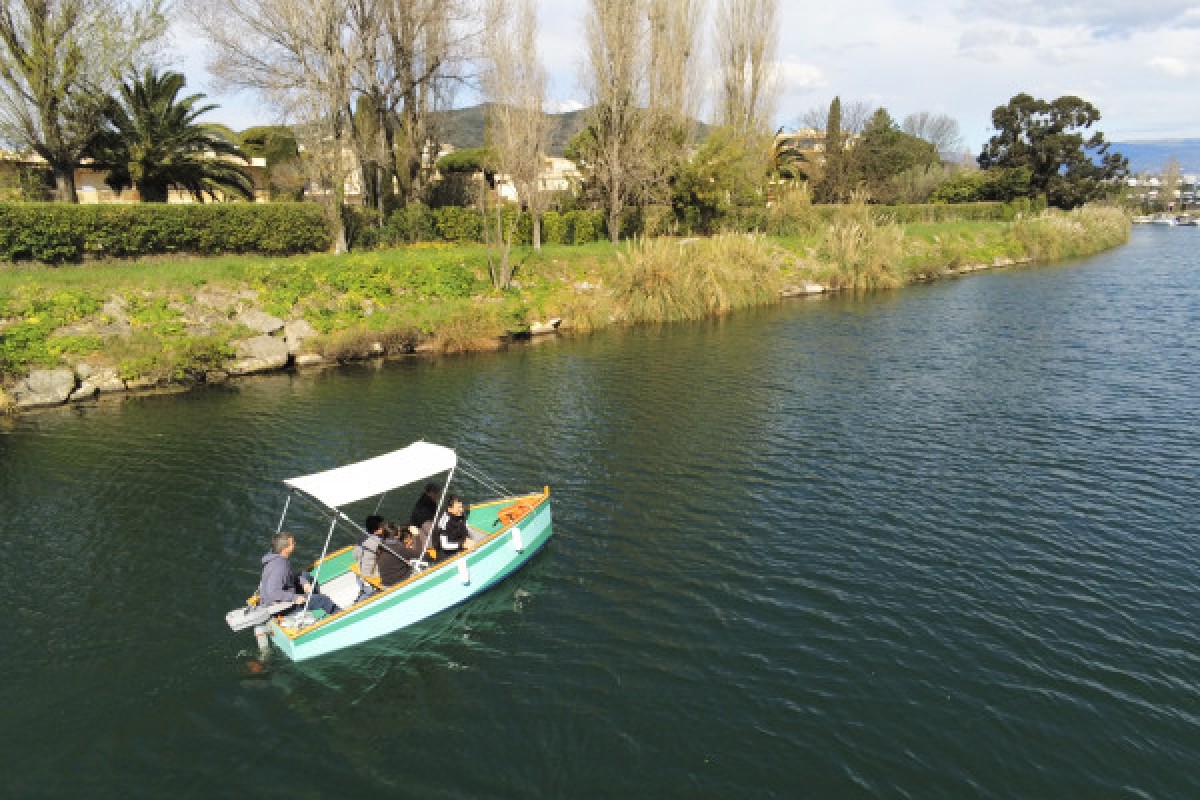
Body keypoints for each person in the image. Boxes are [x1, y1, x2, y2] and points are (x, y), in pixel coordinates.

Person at [258, 532, 340, 617]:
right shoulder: (280, 567)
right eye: (292, 543)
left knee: (305, 575)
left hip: (284, 593)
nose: (295, 544)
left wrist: (304, 582)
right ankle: (339, 614)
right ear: (284, 549)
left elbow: (289, 576)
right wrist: (294, 598)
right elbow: (273, 592)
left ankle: (313, 596)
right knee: (323, 600)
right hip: (280, 607)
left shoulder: (275, 559)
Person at [434, 494, 474, 558]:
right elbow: (444, 545)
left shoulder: (461, 515)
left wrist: (468, 538)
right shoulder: (444, 522)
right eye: (459, 508)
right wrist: (461, 545)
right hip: (447, 555)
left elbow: (466, 527)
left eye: (461, 507)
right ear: (450, 509)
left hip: (460, 546)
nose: (462, 510)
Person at [355, 514, 384, 581]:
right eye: (382, 526)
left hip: (361, 568)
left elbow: (355, 555)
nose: (384, 527)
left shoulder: (362, 536)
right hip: (372, 573)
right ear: (377, 529)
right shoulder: (379, 542)